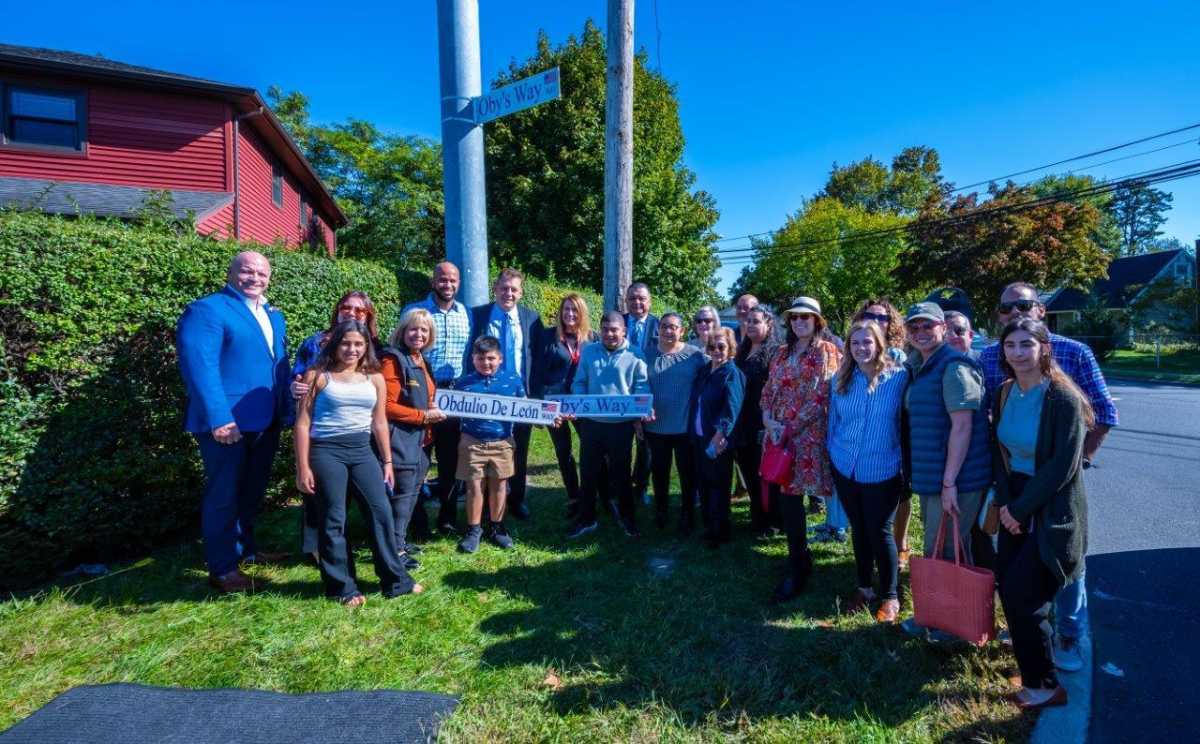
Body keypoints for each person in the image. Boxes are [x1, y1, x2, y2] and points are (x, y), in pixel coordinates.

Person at [978, 281, 1118, 673]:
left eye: (1023, 304)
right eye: (1006, 309)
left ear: (1039, 308)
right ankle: (1030, 626)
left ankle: (1069, 632)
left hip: (1058, 482)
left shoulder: (1074, 354)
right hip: (1014, 484)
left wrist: (1077, 462)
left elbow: (1104, 414)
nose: (1015, 313)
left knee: (1064, 561)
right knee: (1021, 569)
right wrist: (1006, 498)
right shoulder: (993, 358)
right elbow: (992, 428)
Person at [992, 318, 1092, 709]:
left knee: (1025, 595)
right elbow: (999, 453)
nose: (1018, 353)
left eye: (1026, 344)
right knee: (1011, 588)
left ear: (1043, 348)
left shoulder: (1063, 399)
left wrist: (1020, 509)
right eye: (1011, 345)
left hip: (1050, 507)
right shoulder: (1004, 393)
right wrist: (1005, 501)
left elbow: (1061, 467)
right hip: (1013, 498)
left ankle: (1046, 686)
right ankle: (1033, 669)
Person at [177, 251, 291, 593]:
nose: (255, 278)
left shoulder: (273, 315)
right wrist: (219, 418)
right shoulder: (208, 310)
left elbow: (277, 366)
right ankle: (223, 568)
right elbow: (200, 367)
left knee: (252, 491)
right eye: (247, 271)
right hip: (228, 424)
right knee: (224, 493)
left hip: (264, 419)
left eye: (262, 273)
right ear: (231, 273)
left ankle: (246, 552)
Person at [293, 320, 422, 605]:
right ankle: (343, 587)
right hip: (326, 452)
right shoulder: (317, 375)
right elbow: (302, 425)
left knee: (381, 513)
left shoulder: (374, 377)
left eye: (358, 344)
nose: (352, 349)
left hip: (363, 451)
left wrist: (387, 461)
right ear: (336, 344)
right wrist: (302, 467)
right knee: (334, 519)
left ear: (366, 347)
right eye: (346, 343)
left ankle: (396, 580)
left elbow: (379, 423)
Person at [900, 301, 993, 637]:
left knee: (946, 549)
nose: (922, 332)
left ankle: (949, 623)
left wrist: (950, 481)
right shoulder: (919, 366)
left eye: (928, 325)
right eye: (915, 327)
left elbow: (963, 426)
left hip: (957, 478)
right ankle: (942, 617)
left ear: (942, 327)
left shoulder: (954, 366)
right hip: (933, 477)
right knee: (940, 546)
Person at [289, 291, 383, 560]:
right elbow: (299, 378)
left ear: (369, 316)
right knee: (320, 498)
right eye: (346, 308)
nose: (351, 313)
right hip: (323, 437)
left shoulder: (377, 346)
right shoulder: (315, 343)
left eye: (359, 310)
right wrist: (295, 386)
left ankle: (350, 544)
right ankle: (317, 548)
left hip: (362, 434)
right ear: (337, 310)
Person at [827, 320, 909, 623]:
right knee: (859, 530)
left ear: (879, 344)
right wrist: (833, 456)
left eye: (867, 342)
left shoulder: (898, 378)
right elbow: (833, 422)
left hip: (883, 468)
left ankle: (890, 595)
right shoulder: (841, 380)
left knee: (880, 531)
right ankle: (864, 589)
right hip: (845, 466)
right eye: (855, 342)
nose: (861, 348)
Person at [761, 297, 841, 602]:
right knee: (787, 500)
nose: (799, 322)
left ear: (817, 321)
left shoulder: (827, 351)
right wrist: (768, 420)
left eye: (805, 318)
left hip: (805, 437)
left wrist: (790, 428)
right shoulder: (781, 353)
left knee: (796, 496)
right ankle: (798, 557)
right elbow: (769, 390)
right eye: (794, 318)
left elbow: (821, 395)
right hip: (778, 434)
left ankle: (798, 568)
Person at [466, 268, 544, 520]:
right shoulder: (477, 315)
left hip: (520, 396)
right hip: (486, 395)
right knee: (485, 448)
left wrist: (537, 397)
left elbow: (537, 359)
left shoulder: (532, 319)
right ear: (495, 289)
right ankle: (486, 505)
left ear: (520, 293)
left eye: (514, 289)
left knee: (518, 450)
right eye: (504, 288)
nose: (508, 293)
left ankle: (516, 499)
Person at [567, 311, 651, 539]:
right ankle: (586, 519)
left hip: (621, 426)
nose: (610, 334)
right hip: (592, 423)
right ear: (600, 330)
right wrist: (580, 402)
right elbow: (579, 382)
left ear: (624, 330)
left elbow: (641, 387)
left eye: (615, 330)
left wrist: (640, 410)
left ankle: (627, 519)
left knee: (621, 474)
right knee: (588, 472)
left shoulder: (636, 355)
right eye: (605, 330)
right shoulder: (589, 352)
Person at [402, 262, 472, 535]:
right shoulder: (414, 311)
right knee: (418, 459)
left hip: (453, 394)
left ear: (458, 283)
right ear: (434, 281)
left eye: (453, 280)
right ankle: (416, 522)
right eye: (442, 279)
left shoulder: (465, 313)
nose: (448, 284)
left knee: (450, 460)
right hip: (420, 392)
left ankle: (447, 517)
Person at [379, 309, 447, 572]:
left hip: (421, 441)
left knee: (412, 493)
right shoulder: (393, 359)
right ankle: (394, 551)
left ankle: (400, 542)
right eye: (413, 329)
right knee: (402, 496)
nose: (418, 334)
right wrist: (423, 416)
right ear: (403, 331)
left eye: (424, 330)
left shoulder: (421, 360)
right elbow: (386, 406)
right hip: (402, 440)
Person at [452, 336, 526, 553]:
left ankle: (497, 527)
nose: (486, 363)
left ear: (500, 359)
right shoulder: (463, 383)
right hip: (472, 442)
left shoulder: (513, 380)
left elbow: (527, 406)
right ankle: (474, 530)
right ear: (473, 359)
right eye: (481, 358)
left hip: (502, 442)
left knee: (499, 485)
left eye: (491, 358)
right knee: (474, 485)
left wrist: (546, 416)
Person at [851, 299, 911, 563]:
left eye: (882, 317)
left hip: (899, 435)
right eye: (869, 315)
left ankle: (901, 543)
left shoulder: (901, 355)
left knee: (902, 493)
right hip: (868, 441)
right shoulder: (858, 348)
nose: (876, 320)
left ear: (891, 323)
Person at [533, 293, 597, 522]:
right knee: (563, 451)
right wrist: (540, 407)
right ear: (560, 312)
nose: (570, 314)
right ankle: (573, 497)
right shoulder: (548, 336)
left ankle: (591, 495)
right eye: (566, 309)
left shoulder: (592, 338)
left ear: (582, 313)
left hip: (582, 404)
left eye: (574, 310)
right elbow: (538, 372)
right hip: (555, 404)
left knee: (590, 450)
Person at [643, 312, 706, 531]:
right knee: (659, 473)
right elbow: (638, 385)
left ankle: (687, 513)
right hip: (655, 428)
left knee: (687, 475)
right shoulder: (646, 355)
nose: (669, 331)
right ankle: (661, 512)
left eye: (674, 327)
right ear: (658, 329)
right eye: (665, 326)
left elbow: (717, 370)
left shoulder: (695, 355)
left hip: (684, 428)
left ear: (682, 331)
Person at [689, 326, 745, 548]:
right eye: (711, 346)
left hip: (718, 440)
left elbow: (732, 409)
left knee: (718, 488)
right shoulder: (705, 370)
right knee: (703, 484)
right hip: (699, 437)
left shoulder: (732, 373)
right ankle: (708, 527)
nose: (716, 351)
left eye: (721, 346)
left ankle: (719, 532)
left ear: (730, 348)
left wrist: (721, 434)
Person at [734, 306, 783, 537]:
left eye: (756, 321)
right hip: (742, 420)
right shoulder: (742, 351)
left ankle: (771, 521)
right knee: (750, 472)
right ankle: (758, 515)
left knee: (766, 475)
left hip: (763, 421)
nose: (750, 325)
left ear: (768, 325)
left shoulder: (775, 352)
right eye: (748, 321)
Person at [624, 282, 659, 505]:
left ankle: (641, 487)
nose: (637, 302)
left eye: (642, 298)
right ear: (626, 301)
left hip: (649, 392)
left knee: (645, 445)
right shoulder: (617, 322)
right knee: (620, 444)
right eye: (633, 298)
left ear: (649, 301)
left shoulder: (659, 324)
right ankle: (620, 486)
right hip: (620, 392)